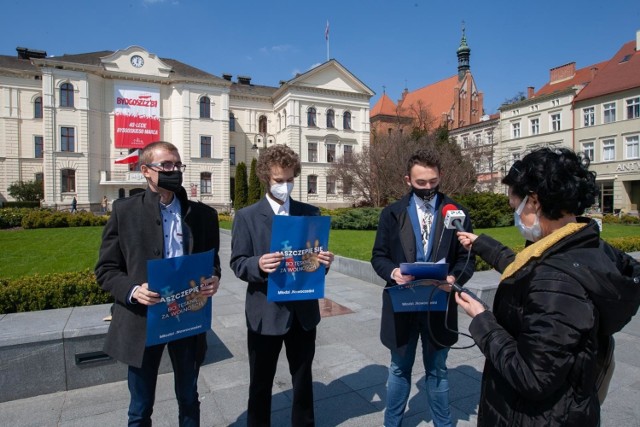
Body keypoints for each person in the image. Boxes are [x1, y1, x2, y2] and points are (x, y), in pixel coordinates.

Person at [455, 147, 640, 426]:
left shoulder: (556, 281)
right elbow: (529, 269)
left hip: (536, 417)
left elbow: (532, 376)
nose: (514, 215)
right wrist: (482, 244)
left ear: (534, 202)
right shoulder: (580, 247)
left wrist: (483, 321)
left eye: (514, 205)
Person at [95, 141, 222, 426]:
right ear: (145, 171)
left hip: (186, 319)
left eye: (177, 165)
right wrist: (133, 290)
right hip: (142, 321)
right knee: (140, 407)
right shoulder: (124, 211)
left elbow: (212, 264)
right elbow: (106, 269)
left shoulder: (203, 216)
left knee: (189, 397)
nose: (173, 170)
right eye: (166, 165)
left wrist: (212, 280)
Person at [230, 144, 334, 426]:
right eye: (279, 180)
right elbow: (238, 262)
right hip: (266, 313)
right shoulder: (247, 216)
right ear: (266, 177)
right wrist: (258, 265)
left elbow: (314, 264)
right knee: (260, 383)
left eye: (290, 180)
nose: (285, 186)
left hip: (303, 313)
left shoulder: (310, 214)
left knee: (303, 381)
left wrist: (324, 261)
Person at [371, 148, 475, 427]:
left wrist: (454, 279)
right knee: (399, 368)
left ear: (440, 176)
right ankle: (392, 423)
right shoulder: (392, 213)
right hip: (402, 304)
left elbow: (467, 259)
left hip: (439, 305)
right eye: (420, 183)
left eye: (432, 181)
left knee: (438, 369)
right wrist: (393, 272)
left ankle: (444, 424)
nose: (428, 188)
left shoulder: (457, 212)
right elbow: (378, 256)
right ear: (408, 180)